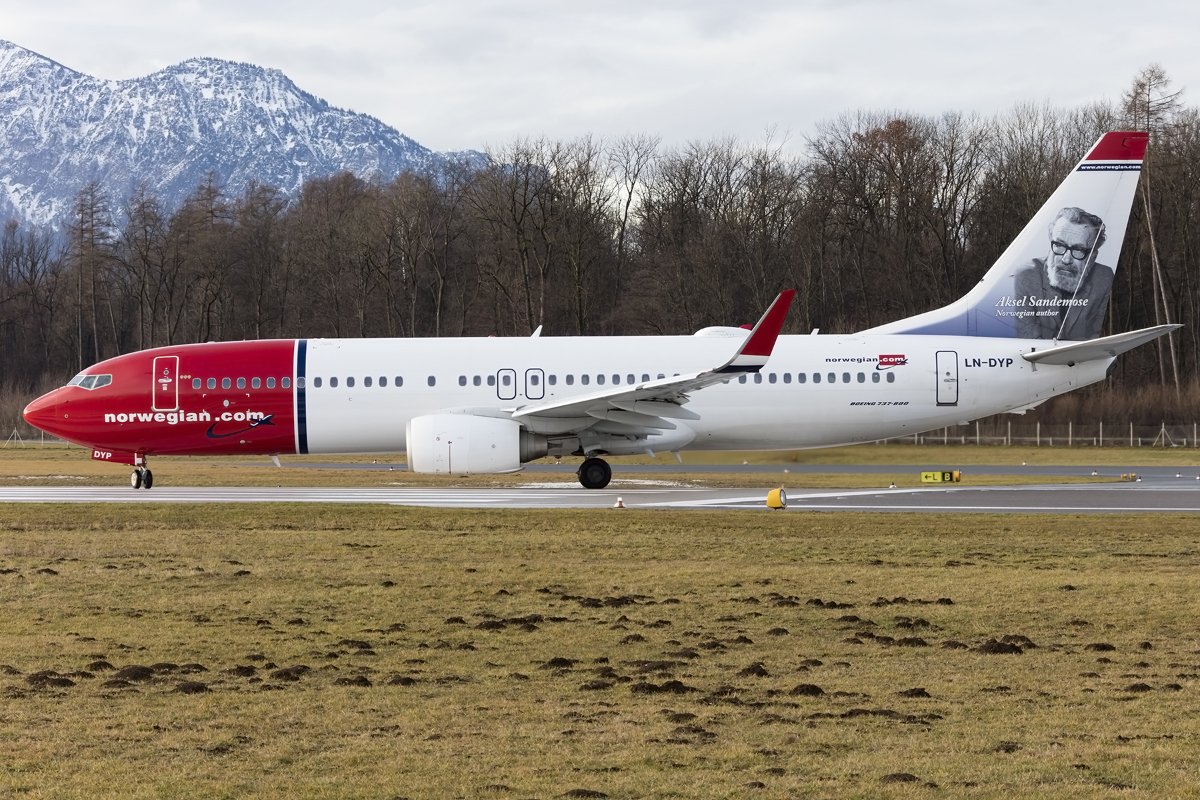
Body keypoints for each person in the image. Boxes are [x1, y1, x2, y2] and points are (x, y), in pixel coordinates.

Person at [1013, 207, 1113, 340]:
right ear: (1051, 242)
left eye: (1078, 250)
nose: (1066, 259)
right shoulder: (1026, 277)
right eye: (1059, 245)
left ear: (1093, 256)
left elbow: (1097, 338)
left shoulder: (1103, 279)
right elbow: (1029, 340)